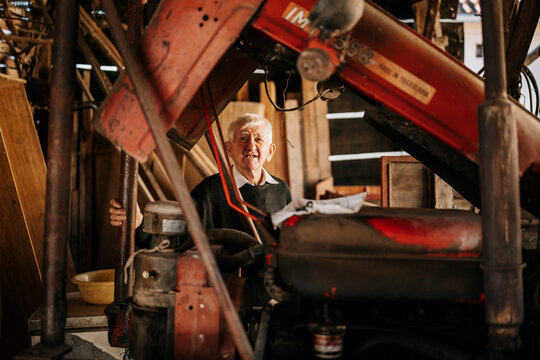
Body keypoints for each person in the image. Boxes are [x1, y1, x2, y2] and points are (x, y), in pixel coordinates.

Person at [109, 113, 291, 238]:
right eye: (243, 138)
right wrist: (140, 225)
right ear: (229, 149)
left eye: (258, 139)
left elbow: (292, 241)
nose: (251, 146)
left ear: (270, 151)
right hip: (227, 288)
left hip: (274, 291)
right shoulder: (208, 192)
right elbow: (179, 237)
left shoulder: (282, 190)